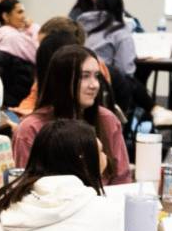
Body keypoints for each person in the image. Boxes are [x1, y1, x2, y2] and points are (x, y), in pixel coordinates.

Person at [12, 45, 132, 185]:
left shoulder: (107, 119)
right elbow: (27, 189)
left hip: (105, 202)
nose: (94, 85)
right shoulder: (31, 128)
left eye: (97, 76)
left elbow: (122, 178)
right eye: (85, 76)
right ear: (63, 80)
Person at [76, 0, 136, 97]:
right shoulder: (121, 32)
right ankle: (149, 109)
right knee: (133, 83)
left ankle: (152, 108)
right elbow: (125, 69)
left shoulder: (82, 24)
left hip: (79, 73)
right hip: (105, 79)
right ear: (120, 8)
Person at [0, 0, 37, 66]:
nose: (24, 16)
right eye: (19, 12)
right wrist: (33, 27)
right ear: (5, 16)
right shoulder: (13, 38)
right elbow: (38, 57)